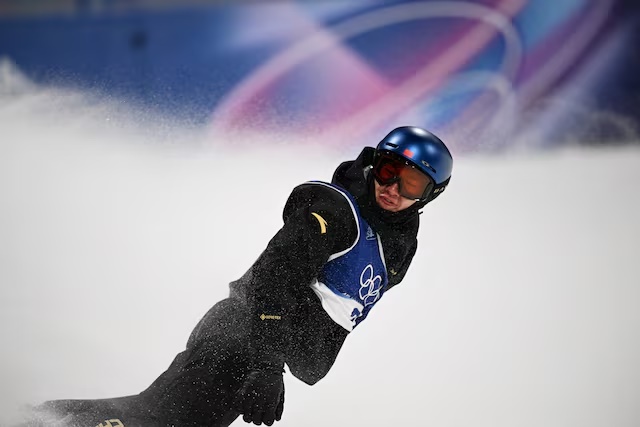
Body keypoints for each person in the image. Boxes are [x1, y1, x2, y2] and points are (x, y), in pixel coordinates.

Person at [28, 126, 453, 427]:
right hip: (240, 341)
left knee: (152, 414)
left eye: (411, 182)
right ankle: (33, 420)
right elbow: (274, 280)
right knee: (154, 419)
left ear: (430, 195)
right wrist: (268, 366)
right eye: (386, 171)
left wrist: (271, 362)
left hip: (252, 352)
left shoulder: (397, 245)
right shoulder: (337, 214)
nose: (393, 187)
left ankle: (38, 418)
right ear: (373, 165)